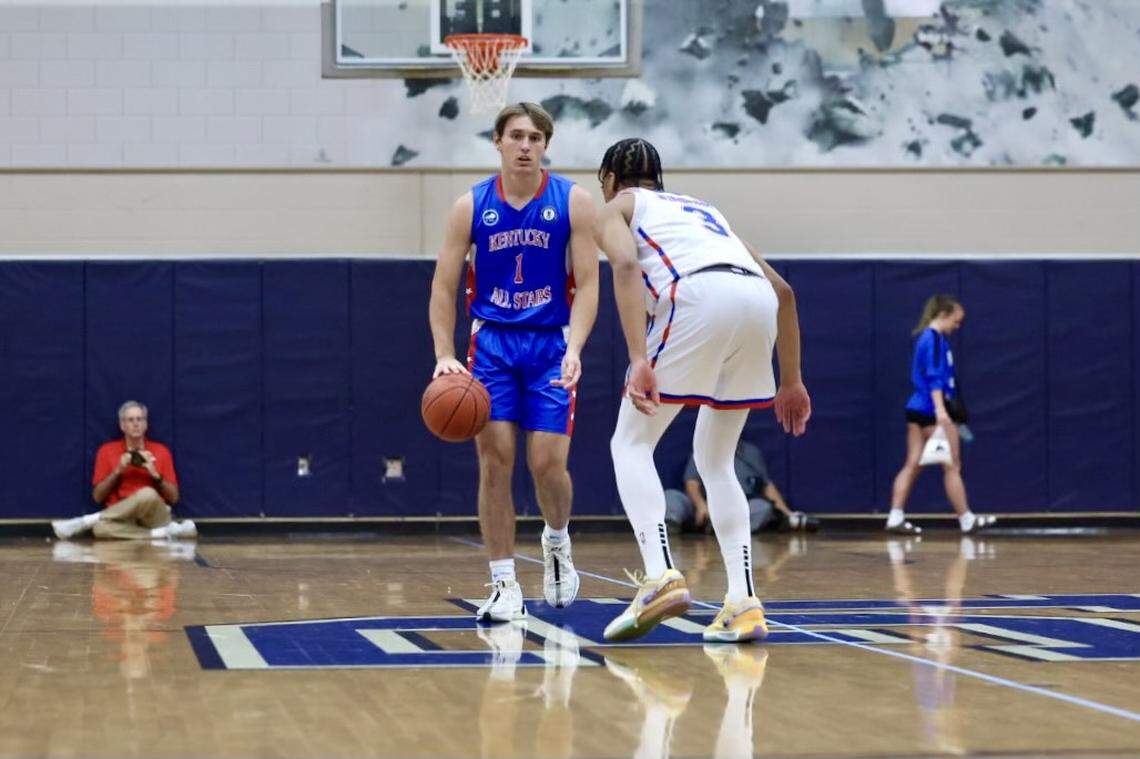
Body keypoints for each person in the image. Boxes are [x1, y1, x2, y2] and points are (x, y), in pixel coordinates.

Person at [593, 138, 811, 644]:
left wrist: (638, 358)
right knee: (716, 460)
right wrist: (792, 380)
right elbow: (784, 292)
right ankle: (743, 603)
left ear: (610, 180)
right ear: (660, 178)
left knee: (630, 442)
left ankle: (659, 576)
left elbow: (625, 267)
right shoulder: (705, 210)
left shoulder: (618, 207)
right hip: (756, 303)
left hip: (696, 296)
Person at [428, 102, 599, 623]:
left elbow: (590, 284)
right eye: (517, 136)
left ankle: (557, 540)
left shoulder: (573, 201)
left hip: (551, 344)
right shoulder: (471, 205)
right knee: (495, 460)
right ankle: (504, 583)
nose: (526, 146)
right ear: (498, 142)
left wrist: (576, 348)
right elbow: (443, 286)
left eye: (535, 138)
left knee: (547, 464)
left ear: (545, 145)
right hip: (493, 345)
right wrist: (444, 355)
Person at [885, 295, 995, 535]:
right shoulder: (933, 339)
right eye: (955, 321)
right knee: (952, 465)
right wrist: (941, 411)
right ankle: (966, 519)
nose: (957, 327)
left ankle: (895, 516)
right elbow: (935, 377)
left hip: (916, 408)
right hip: (932, 410)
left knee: (913, 463)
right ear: (943, 315)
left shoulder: (927, 338)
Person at [52, 401, 197, 541]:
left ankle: (87, 520)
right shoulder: (106, 451)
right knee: (100, 529)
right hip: (123, 516)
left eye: (140, 419)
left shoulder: (161, 451)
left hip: (154, 515)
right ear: (122, 425)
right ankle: (161, 533)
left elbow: (174, 497)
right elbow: (97, 497)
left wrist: (155, 475)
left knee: (147, 493)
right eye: (130, 420)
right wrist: (117, 471)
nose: (136, 424)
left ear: (146, 424)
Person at [664, 438, 818, 533]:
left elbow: (767, 486)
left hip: (738, 508)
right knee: (671, 497)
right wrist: (701, 506)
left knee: (762, 507)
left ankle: (729, 531)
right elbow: (691, 483)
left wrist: (787, 514)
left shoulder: (751, 453)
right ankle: (669, 529)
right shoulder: (703, 450)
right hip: (705, 508)